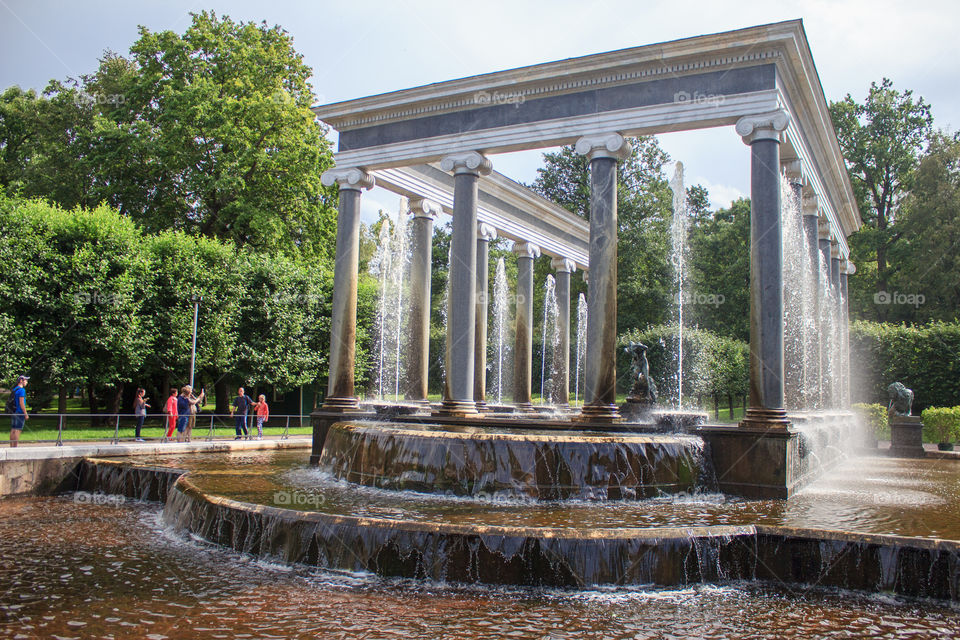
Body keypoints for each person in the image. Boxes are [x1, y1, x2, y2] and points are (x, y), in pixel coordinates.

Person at [9, 375, 28, 448]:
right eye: (25, 380)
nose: (26, 382)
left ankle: (11, 447)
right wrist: (25, 414)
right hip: (19, 412)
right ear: (21, 381)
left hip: (13, 411)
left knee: (13, 429)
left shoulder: (15, 389)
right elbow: (21, 403)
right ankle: (15, 447)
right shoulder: (21, 390)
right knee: (18, 430)